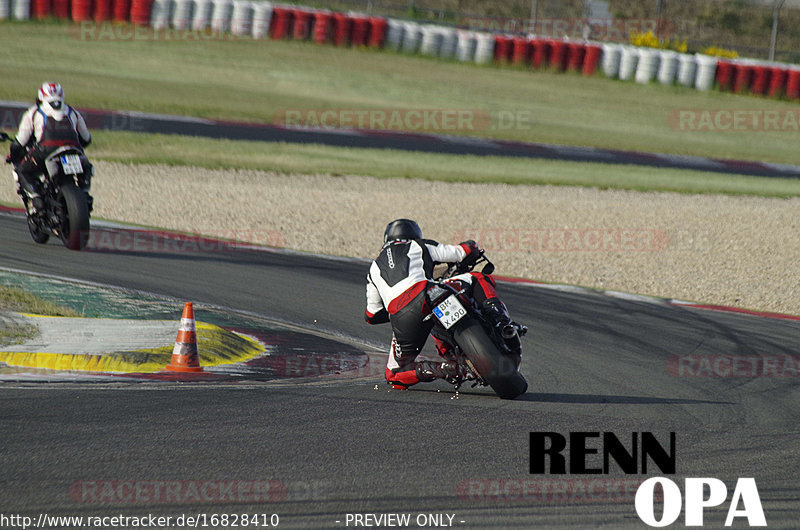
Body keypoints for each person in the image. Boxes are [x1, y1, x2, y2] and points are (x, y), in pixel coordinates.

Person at [365, 218, 522, 389]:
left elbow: (371, 314)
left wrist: (398, 309)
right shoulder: (419, 245)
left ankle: (448, 369)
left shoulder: (373, 268)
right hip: (430, 292)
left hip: (401, 314)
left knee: (394, 375)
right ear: (413, 235)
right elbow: (462, 251)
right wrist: (471, 246)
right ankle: (501, 322)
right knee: (477, 277)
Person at [6, 83, 92, 215]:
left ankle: (36, 198)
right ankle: (85, 193)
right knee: (86, 167)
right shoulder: (72, 111)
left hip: (46, 151)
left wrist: (13, 155)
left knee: (22, 170)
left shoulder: (34, 112)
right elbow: (86, 139)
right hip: (74, 150)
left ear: (41, 96)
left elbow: (20, 141)